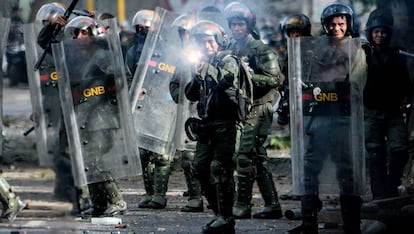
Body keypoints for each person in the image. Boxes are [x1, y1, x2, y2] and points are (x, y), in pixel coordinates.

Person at [289, 2, 367, 233]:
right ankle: (308, 222)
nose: (336, 28)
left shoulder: (356, 50)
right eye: (332, 24)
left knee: (347, 173)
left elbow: (356, 87)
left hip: (343, 119)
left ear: (348, 24)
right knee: (310, 171)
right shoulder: (318, 48)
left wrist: (330, 91)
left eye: (341, 23)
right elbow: (306, 78)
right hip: (319, 118)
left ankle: (352, 225)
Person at [58, 16, 128, 217]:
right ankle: (99, 203)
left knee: (94, 158)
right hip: (85, 117)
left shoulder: (101, 56)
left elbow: (121, 77)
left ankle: (116, 199)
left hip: (102, 117)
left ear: (94, 34)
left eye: (84, 32)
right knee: (86, 160)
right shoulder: (77, 57)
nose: (79, 36)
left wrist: (108, 86)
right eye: (76, 33)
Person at [223, 1, 285, 219]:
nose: (237, 29)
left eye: (240, 24)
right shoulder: (230, 47)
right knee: (257, 158)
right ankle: (272, 204)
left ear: (248, 26)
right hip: (239, 108)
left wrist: (247, 76)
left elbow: (275, 78)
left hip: (259, 106)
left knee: (245, 156)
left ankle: (243, 205)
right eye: (234, 25)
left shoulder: (261, 49)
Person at [185, 19, 245, 234]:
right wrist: (195, 74)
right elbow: (190, 94)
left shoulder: (228, 59)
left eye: (210, 42)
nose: (206, 46)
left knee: (221, 169)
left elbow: (227, 79)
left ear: (219, 42)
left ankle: (226, 217)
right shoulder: (201, 62)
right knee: (199, 168)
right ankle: (218, 212)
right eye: (201, 42)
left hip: (226, 122)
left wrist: (207, 68)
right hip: (207, 123)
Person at [363, 8, 412, 200]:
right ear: (371, 33)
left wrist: (406, 98)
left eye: (383, 32)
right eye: (376, 32)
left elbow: (405, 81)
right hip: (371, 111)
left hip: (393, 111)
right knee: (375, 153)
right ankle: (379, 194)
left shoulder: (397, 54)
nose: (380, 35)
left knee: (400, 149)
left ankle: (392, 185)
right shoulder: (363, 54)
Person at [125, 9, 172, 210]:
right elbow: (127, 75)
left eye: (147, 27)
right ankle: (149, 192)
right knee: (143, 153)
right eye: (140, 28)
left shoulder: (169, 51)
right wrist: (134, 90)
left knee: (161, 153)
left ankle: (160, 195)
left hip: (162, 107)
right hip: (142, 107)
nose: (143, 31)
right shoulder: (132, 51)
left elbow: (173, 77)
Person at [169, 13, 204, 213]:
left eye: (188, 33)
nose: (185, 37)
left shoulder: (211, 51)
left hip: (209, 113)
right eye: (182, 34)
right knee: (188, 158)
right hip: (188, 113)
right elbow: (174, 84)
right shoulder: (182, 58)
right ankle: (195, 197)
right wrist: (181, 95)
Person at [277, 13, 312, 201]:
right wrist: (283, 106)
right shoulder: (289, 54)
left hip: (312, 106)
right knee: (298, 148)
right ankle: (299, 186)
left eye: (298, 33)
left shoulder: (314, 51)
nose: (295, 37)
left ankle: (309, 189)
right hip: (295, 107)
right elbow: (287, 83)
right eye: (291, 33)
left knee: (310, 150)